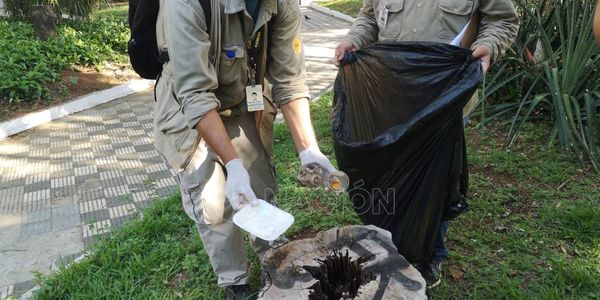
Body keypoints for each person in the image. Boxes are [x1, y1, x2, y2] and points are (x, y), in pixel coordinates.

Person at [154, 0, 338, 298]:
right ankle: (235, 280)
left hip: (244, 100)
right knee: (213, 204)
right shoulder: (185, 3)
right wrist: (232, 164)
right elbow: (196, 96)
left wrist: (309, 150)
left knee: (260, 186)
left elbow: (289, 79)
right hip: (188, 108)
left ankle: (274, 258)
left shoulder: (283, 3)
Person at [334, 0, 519, 288]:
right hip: (389, 97)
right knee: (389, 176)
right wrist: (353, 39)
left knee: (434, 179)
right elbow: (369, 18)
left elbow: (503, 21)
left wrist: (488, 47)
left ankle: (430, 254)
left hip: (443, 102)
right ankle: (391, 242)